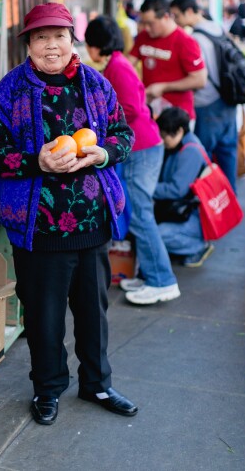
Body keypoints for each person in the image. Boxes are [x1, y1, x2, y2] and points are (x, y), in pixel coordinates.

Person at [0, 2, 138, 426]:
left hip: (91, 222)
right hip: (38, 226)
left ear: (73, 40)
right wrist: (38, 162)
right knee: (44, 315)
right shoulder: (9, 91)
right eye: (41, 37)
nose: (51, 45)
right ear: (29, 44)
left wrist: (102, 154)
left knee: (93, 310)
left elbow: (124, 135)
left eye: (59, 36)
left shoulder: (97, 85)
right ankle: (48, 388)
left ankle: (98, 383)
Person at [85, 15, 180, 305]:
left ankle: (163, 281)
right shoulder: (117, 64)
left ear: (95, 45)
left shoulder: (118, 67)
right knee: (138, 212)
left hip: (141, 147)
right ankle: (152, 275)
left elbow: (131, 109)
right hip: (142, 146)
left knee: (140, 214)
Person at [170, 0, 239, 191]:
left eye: (177, 15)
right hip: (228, 99)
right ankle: (229, 198)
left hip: (208, 103)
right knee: (228, 151)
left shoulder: (195, 39)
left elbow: (199, 77)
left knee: (204, 155)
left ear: (189, 12)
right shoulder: (217, 28)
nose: (175, 21)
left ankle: (210, 200)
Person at [128, 0, 206, 122]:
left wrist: (164, 87)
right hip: (150, 111)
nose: (146, 28)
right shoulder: (143, 37)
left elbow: (200, 79)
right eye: (143, 23)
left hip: (178, 116)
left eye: (150, 23)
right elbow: (128, 63)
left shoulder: (185, 41)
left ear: (166, 17)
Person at [154, 107, 214, 267]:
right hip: (187, 211)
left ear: (179, 130)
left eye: (166, 134)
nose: (162, 139)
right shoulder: (183, 144)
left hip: (194, 216)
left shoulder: (190, 152)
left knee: (157, 236)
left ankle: (197, 247)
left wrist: (148, 188)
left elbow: (176, 190)